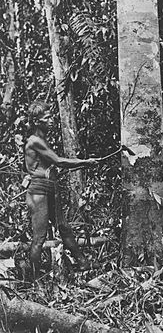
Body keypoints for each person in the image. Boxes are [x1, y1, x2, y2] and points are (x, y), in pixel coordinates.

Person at [24, 100, 97, 279]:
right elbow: (58, 161)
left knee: (63, 227)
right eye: (47, 118)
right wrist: (84, 163)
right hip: (38, 191)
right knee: (39, 237)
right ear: (36, 122)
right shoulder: (34, 141)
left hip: (49, 189)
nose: (52, 120)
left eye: (51, 117)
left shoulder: (43, 140)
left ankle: (83, 263)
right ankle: (33, 281)